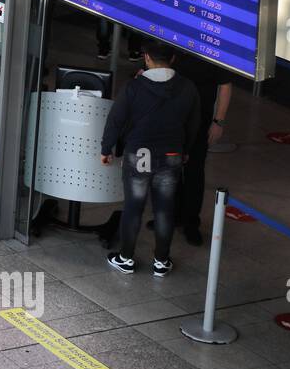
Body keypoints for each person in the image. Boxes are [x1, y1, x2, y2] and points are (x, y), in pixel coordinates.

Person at [99, 40, 200, 277]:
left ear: (146, 58)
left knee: (133, 208)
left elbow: (116, 120)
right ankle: (161, 262)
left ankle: (125, 258)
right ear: (173, 59)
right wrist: (185, 150)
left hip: (138, 154)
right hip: (172, 154)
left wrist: (107, 148)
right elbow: (194, 124)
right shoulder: (188, 88)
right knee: (165, 209)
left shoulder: (134, 87)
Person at [175, 53, 234, 245]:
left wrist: (219, 121)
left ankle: (191, 223)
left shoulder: (213, 48)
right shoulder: (174, 39)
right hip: (172, 118)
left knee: (194, 172)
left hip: (200, 121)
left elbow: (225, 85)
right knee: (169, 170)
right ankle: (173, 216)